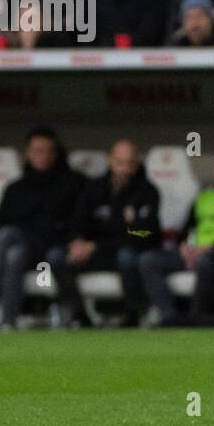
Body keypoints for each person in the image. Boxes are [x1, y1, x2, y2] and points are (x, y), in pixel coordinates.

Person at [0, 128, 84, 329]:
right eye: (37, 151)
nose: (42, 156)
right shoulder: (16, 187)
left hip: (54, 252)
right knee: (14, 254)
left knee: (8, 235)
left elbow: (74, 224)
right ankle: (7, 323)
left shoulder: (72, 183)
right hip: (25, 251)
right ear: (28, 153)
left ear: (55, 153)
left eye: (47, 151)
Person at [45, 140, 162, 328]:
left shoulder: (147, 191)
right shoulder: (94, 188)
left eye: (130, 163)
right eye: (119, 162)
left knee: (127, 257)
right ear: (110, 161)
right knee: (56, 256)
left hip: (121, 254)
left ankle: (133, 315)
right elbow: (76, 222)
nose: (124, 169)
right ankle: (79, 316)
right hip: (93, 254)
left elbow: (144, 233)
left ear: (137, 164)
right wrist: (76, 241)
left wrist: (97, 246)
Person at [139, 140, 214, 326]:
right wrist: (183, 246)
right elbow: (187, 227)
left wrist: (212, 247)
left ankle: (198, 317)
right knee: (149, 259)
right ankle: (170, 317)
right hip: (195, 252)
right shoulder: (204, 197)